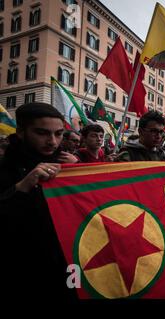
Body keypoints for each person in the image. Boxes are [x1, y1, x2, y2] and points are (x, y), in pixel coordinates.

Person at [0, 102, 78, 299]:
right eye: (42, 133)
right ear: (21, 132)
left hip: (64, 264)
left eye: (59, 134)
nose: (52, 141)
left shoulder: (67, 163)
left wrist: (79, 172)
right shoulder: (5, 167)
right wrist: (21, 188)